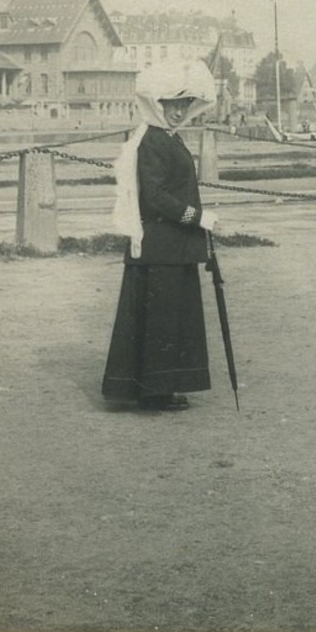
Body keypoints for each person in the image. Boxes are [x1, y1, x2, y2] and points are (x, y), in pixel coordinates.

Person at [102, 60, 218, 412]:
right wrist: (197, 217)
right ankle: (154, 390)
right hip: (160, 244)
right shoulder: (152, 140)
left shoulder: (167, 137)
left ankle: (160, 385)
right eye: (173, 105)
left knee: (169, 316)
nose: (179, 111)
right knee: (161, 318)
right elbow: (154, 196)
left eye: (184, 105)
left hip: (172, 246)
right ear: (158, 105)